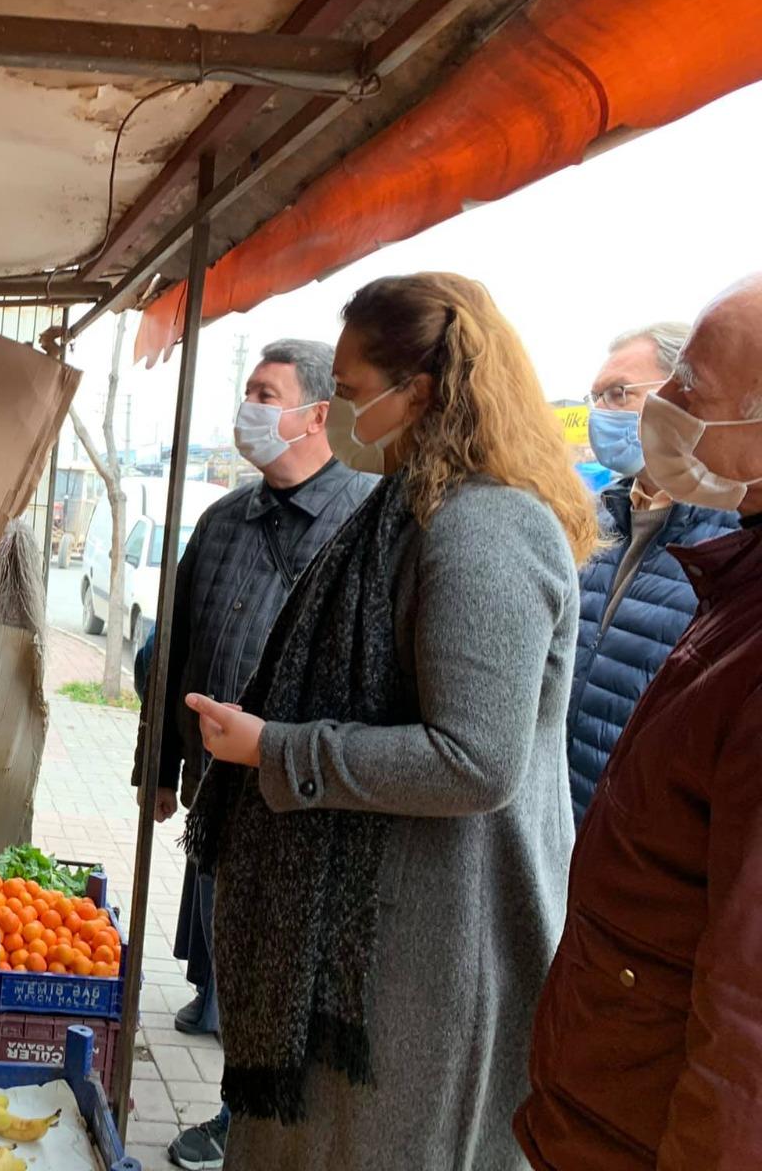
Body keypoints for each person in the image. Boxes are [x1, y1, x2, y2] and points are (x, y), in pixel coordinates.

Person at [183, 272, 596, 1169]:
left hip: (432, 952)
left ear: (423, 392)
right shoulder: (407, 509)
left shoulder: (484, 527)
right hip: (373, 938)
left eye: (354, 391)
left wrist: (276, 748)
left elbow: (476, 760)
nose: (336, 413)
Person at [516, 274, 762, 1169]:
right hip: (605, 1053)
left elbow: (746, 1018)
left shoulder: (722, 561)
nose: (653, 412)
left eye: (685, 389)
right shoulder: (654, 549)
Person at [130, 340, 374, 1171]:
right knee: (233, 952)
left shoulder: (364, 523)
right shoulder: (225, 519)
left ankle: (255, 1126)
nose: (250, 411)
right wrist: (159, 767)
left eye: (266, 394)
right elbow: (176, 647)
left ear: (317, 414)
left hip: (309, 801)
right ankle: (245, 1101)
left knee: (284, 975)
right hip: (218, 793)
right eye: (248, 392)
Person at [567, 324, 737, 822]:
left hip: (646, 841)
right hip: (563, 828)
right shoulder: (595, 522)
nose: (602, 413)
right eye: (597, 396)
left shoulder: (731, 539)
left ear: (686, 398)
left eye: (619, 394)